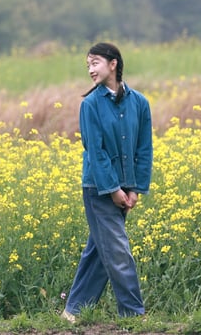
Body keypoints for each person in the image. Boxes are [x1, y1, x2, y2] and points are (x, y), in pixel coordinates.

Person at [62, 42, 153, 322]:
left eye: (95, 63)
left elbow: (143, 148)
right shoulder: (90, 105)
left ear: (113, 64)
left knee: (100, 252)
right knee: (117, 251)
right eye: (88, 65)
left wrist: (135, 188)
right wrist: (114, 190)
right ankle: (133, 315)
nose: (90, 69)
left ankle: (73, 311)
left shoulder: (139, 102)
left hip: (125, 188)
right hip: (99, 189)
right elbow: (95, 150)